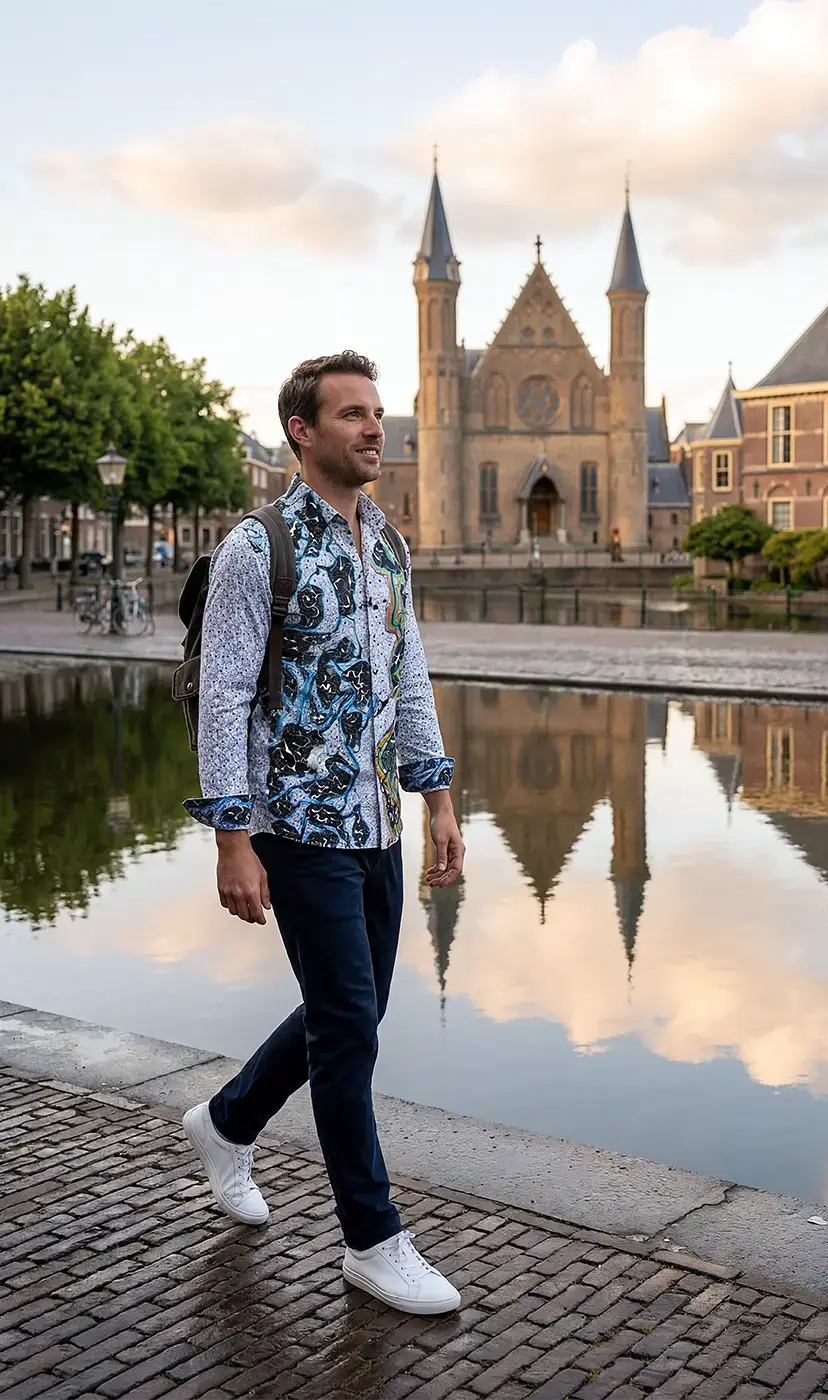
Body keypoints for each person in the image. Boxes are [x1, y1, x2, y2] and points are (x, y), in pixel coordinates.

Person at [180, 351, 466, 1315]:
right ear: (303, 431)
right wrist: (232, 836)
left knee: (357, 1011)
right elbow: (223, 697)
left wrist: (437, 798)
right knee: (349, 1026)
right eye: (353, 415)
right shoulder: (257, 548)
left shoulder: (388, 547)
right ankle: (372, 1238)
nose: (375, 429)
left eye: (377, 413)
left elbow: (410, 679)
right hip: (293, 826)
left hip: (374, 819)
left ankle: (226, 1123)